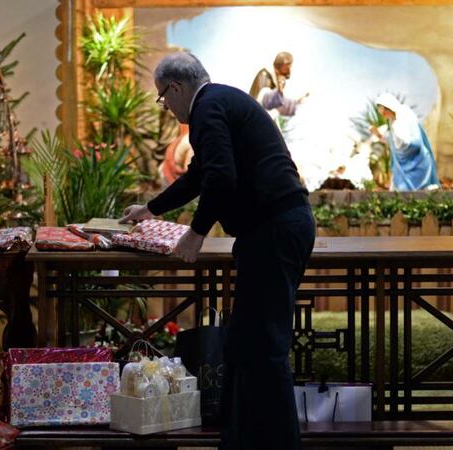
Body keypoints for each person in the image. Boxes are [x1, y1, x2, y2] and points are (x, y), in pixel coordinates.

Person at [119, 52, 314, 450]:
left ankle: (278, 445)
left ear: (175, 88)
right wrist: (151, 208)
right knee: (245, 343)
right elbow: (199, 176)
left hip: (274, 231)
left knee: (266, 346)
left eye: (162, 98)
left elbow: (221, 177)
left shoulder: (208, 109)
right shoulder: (219, 102)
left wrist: (195, 233)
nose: (166, 107)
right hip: (274, 230)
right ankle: (242, 439)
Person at [372, 93, 440, 191]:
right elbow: (394, 140)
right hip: (402, 166)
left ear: (389, 107)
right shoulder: (393, 120)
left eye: (383, 110)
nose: (382, 113)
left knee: (407, 191)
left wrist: (400, 137)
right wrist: (379, 135)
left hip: (417, 163)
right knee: (399, 190)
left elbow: (415, 142)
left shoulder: (405, 115)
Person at [249, 51, 308, 121]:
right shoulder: (265, 75)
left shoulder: (276, 81)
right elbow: (264, 100)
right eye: (288, 67)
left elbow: (279, 104)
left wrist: (296, 102)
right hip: (255, 120)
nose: (289, 71)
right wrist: (279, 91)